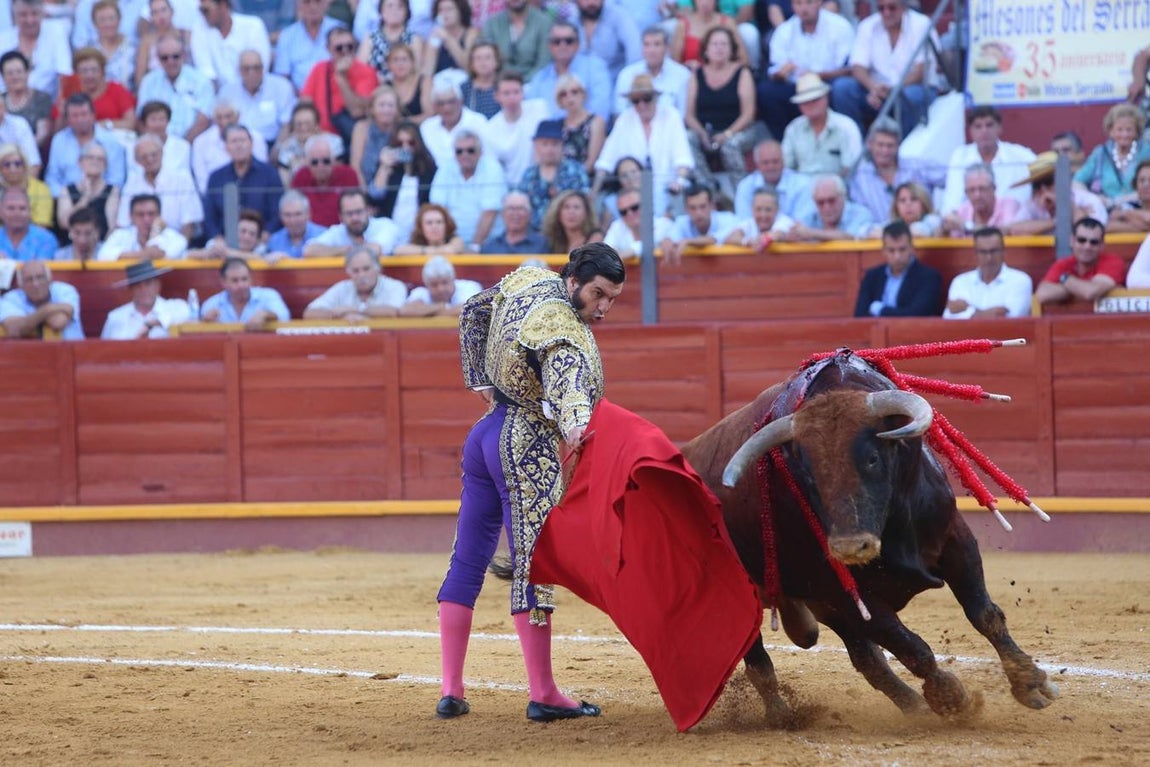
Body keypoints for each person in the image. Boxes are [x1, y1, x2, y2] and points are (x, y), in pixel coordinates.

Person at [437, 243, 625, 722]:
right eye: (598, 294)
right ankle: (543, 692)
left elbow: (474, 309)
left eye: (612, 298)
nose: (603, 307)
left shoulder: (529, 278)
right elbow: (565, 381)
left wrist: (480, 377)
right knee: (534, 565)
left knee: (468, 557)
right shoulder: (563, 327)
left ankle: (451, 691)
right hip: (525, 443)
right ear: (573, 283)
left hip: (484, 434)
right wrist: (577, 426)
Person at [831, 0, 938, 138]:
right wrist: (873, 88)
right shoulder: (867, 25)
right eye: (881, 8)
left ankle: (901, 149)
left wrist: (892, 89)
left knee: (910, 96)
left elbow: (920, 72)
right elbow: (858, 67)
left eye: (892, 8)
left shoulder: (921, 24)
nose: (886, 13)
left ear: (904, 7)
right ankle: (858, 144)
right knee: (842, 88)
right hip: (877, 91)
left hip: (911, 88)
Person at [594, 74, 694, 219]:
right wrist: (593, 193)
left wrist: (679, 182)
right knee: (610, 206)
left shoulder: (671, 115)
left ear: (655, 98)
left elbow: (683, 158)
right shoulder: (624, 119)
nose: (641, 105)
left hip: (666, 190)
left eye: (646, 99)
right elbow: (606, 161)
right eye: (635, 101)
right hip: (631, 191)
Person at [757, 0, 854, 142]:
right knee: (766, 92)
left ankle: (843, 138)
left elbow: (849, 69)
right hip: (796, 87)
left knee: (842, 87)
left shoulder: (840, 26)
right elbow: (774, 70)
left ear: (819, 2)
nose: (804, 8)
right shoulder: (785, 30)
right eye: (798, 3)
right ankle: (783, 142)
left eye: (809, 3)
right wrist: (781, 74)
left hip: (827, 84)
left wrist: (817, 75)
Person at [684, 27, 762, 194]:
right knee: (687, 139)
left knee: (730, 146)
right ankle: (708, 191)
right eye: (715, 44)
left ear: (731, 48)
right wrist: (702, 133)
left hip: (738, 130)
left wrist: (726, 134)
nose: (719, 48)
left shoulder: (742, 73)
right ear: (706, 50)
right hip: (707, 130)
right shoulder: (696, 75)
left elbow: (748, 114)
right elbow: (689, 115)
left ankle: (742, 194)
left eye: (724, 44)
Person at [849, 117, 944, 225]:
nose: (885, 151)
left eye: (890, 146)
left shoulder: (918, 166)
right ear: (870, 144)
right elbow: (861, 216)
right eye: (880, 145)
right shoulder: (859, 177)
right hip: (879, 238)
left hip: (923, 236)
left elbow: (955, 178)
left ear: (898, 145)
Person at [941, 105, 1035, 214]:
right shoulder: (961, 156)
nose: (984, 131)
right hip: (971, 225)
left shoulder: (1022, 155)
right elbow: (953, 201)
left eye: (989, 125)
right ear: (970, 131)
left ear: (999, 128)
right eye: (978, 126)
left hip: (1015, 225)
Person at [202, 124, 284, 243]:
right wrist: (217, 238)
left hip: (261, 243)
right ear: (226, 147)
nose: (239, 145)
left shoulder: (270, 174)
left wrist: (265, 236)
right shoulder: (216, 177)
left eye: (243, 140)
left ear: (251, 144)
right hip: (223, 244)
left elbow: (277, 212)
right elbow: (209, 217)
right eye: (234, 141)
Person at [428, 129, 506, 248]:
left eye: (470, 150)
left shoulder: (493, 168)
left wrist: (475, 246)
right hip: (452, 241)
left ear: (480, 152)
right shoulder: (445, 169)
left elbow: (490, 213)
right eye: (459, 151)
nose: (465, 155)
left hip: (489, 242)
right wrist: (452, 242)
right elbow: (439, 209)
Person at [117, 134, 202, 241]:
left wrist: (177, 248)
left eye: (154, 154)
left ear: (162, 153)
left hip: (176, 244)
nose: (150, 159)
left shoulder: (182, 179)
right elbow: (123, 223)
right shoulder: (132, 183)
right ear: (137, 161)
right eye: (144, 156)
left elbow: (189, 223)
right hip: (139, 247)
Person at [302, 26, 379, 145]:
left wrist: (341, 78)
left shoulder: (366, 71)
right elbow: (305, 103)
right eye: (339, 48)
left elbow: (357, 111)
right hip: (321, 136)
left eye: (350, 47)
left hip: (353, 138)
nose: (345, 51)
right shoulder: (319, 69)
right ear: (328, 48)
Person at [44, 93, 128, 198]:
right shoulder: (59, 140)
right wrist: (65, 197)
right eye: (75, 115)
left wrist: (96, 196)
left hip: (103, 200)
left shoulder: (110, 141)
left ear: (93, 115)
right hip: (66, 199)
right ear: (68, 119)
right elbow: (52, 178)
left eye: (84, 114)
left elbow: (116, 179)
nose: (80, 120)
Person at [853, 220, 943, 317]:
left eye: (902, 249)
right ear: (884, 251)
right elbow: (859, 316)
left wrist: (881, 310)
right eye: (891, 250)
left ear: (912, 248)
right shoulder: (872, 277)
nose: (897, 256)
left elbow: (916, 315)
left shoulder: (929, 277)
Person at [136, 32, 214, 143]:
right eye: (165, 58)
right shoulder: (149, 82)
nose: (170, 61)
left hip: (191, 143)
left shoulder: (201, 81)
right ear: (158, 58)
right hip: (156, 145)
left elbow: (203, 120)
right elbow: (141, 119)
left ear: (184, 55)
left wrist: (182, 146)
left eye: (175, 56)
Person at [1006, 152, 1108, 236]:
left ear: (1063, 179)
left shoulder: (1088, 200)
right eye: (1037, 185)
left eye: (1048, 181)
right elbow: (1013, 229)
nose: (1043, 189)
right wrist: (1058, 221)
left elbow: (1088, 234)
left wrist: (1066, 204)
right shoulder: (1033, 205)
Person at [527, 20, 612, 122]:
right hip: (548, 135)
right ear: (550, 46)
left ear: (577, 45)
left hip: (585, 133)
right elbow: (530, 114)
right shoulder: (540, 78)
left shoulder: (595, 67)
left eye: (569, 41)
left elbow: (600, 111)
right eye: (557, 41)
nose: (563, 45)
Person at [1033, 217, 1128, 307]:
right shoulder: (1064, 263)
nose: (1087, 247)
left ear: (1102, 245)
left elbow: (1090, 292)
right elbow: (1042, 294)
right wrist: (1078, 289)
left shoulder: (1113, 261)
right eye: (1081, 240)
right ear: (1072, 241)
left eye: (1094, 242)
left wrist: (1065, 279)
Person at [781, 72, 862, 176]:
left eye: (815, 100)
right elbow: (786, 167)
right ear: (799, 106)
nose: (810, 105)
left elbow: (853, 167)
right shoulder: (793, 128)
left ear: (826, 98)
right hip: (801, 189)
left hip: (837, 188)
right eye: (805, 101)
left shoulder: (846, 126)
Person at [942, 226, 1033, 319]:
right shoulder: (960, 282)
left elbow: (1010, 320)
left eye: (993, 251)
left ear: (1003, 251)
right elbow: (949, 317)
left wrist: (968, 310)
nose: (989, 258)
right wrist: (986, 314)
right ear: (975, 254)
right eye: (983, 252)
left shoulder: (1020, 281)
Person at [369, 120, 437, 242]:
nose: (405, 147)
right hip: (389, 232)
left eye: (410, 143)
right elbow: (375, 195)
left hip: (419, 233)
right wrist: (384, 166)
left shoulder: (429, 170)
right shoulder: (388, 169)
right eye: (400, 143)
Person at [518, 119, 591, 231]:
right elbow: (521, 205)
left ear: (562, 146)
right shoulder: (529, 174)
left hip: (569, 233)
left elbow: (586, 202)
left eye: (554, 144)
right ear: (536, 146)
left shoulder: (576, 171)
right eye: (545, 144)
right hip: (534, 235)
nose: (549, 149)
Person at [1074, 103, 1150, 209]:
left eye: (1129, 130)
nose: (1124, 135)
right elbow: (1077, 182)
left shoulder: (1146, 152)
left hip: (1139, 210)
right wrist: (1093, 199)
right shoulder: (1100, 153)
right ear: (1111, 132)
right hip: (1107, 211)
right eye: (1119, 130)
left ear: (1136, 132)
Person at [302, 245, 408, 319]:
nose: (361, 275)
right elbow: (309, 313)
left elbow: (394, 311)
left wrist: (357, 310)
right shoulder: (342, 288)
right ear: (348, 272)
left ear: (378, 269)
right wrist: (339, 315)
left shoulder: (394, 286)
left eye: (366, 269)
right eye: (355, 271)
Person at [217, 50, 295, 148]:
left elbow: (286, 124)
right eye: (246, 69)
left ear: (263, 68)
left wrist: (278, 148)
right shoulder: (227, 91)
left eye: (256, 68)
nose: (252, 73)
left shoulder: (282, 86)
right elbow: (222, 124)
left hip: (271, 144)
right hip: (237, 144)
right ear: (239, 70)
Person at [485, 71, 549, 187]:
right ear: (497, 96)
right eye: (506, 93)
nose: (512, 97)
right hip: (511, 187)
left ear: (523, 93)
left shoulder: (540, 109)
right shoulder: (490, 129)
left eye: (516, 92)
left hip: (542, 182)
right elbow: (494, 169)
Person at [190, 0, 271, 90]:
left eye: (205, 10)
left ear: (223, 5)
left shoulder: (253, 26)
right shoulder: (199, 29)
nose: (202, 15)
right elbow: (206, 73)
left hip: (253, 91)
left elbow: (259, 67)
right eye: (200, 10)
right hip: (218, 97)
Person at [0, 0, 73, 100]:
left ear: (42, 14)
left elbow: (64, 74)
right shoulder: (3, 40)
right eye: (23, 15)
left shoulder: (56, 31)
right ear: (14, 17)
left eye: (34, 14)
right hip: (7, 103)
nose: (29, 20)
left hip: (46, 104)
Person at [100, 260, 192, 339]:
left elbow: (186, 312)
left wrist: (150, 325)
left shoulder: (175, 307)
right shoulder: (115, 317)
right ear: (131, 290)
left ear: (157, 286)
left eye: (148, 284)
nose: (143, 290)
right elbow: (104, 351)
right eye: (138, 286)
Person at [612, 26, 690, 119]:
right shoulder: (627, 74)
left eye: (657, 44)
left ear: (667, 48)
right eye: (647, 45)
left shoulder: (682, 74)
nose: (651, 50)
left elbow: (683, 115)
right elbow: (619, 113)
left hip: (671, 130)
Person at [52, 47, 135, 134]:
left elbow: (131, 123)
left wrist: (103, 125)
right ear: (76, 73)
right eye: (84, 71)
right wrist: (62, 115)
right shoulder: (70, 93)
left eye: (94, 70)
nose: (89, 75)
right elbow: (58, 131)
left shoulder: (116, 89)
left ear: (102, 72)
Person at [0, 260, 84, 339]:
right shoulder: (10, 298)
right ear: (21, 285)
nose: (36, 284)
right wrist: (48, 310)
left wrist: (29, 320)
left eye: (40, 277)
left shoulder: (65, 290)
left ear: (49, 280)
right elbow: (15, 329)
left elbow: (58, 322)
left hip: (75, 351)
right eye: (29, 279)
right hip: (29, 352)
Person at [304, 188, 401, 257]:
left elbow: (374, 250)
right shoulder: (338, 231)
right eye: (349, 213)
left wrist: (340, 251)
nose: (355, 218)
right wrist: (342, 250)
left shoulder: (385, 225)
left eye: (358, 211)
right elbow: (309, 250)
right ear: (340, 216)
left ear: (368, 211)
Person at [419, 79, 491, 171]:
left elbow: (487, 157)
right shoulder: (427, 127)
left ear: (461, 101)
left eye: (451, 101)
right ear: (434, 106)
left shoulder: (478, 122)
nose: (447, 108)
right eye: (441, 103)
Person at [201, 256, 291, 329]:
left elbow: (285, 318)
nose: (241, 285)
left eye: (244, 279)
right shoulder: (211, 304)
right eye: (235, 280)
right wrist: (206, 324)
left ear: (251, 278)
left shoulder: (268, 295)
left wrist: (267, 315)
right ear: (223, 282)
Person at [734, 138, 813, 221]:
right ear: (757, 165)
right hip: (756, 234)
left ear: (784, 162)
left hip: (794, 233)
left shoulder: (803, 184)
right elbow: (744, 222)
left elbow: (803, 223)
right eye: (766, 163)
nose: (771, 167)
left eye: (775, 161)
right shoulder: (745, 186)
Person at [290, 134, 361, 226]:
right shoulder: (301, 176)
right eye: (314, 162)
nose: (320, 166)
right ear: (307, 163)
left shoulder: (348, 175)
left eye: (326, 161)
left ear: (334, 160)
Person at [273, 0, 343, 91]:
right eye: (307, 2)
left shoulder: (340, 30)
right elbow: (282, 77)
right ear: (298, 4)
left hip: (335, 95)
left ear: (326, 3)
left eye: (318, 2)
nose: (313, 7)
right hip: (298, 99)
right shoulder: (287, 36)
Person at [659, 184, 739, 264]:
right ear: (686, 209)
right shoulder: (681, 222)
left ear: (712, 206)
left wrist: (688, 242)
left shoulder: (728, 219)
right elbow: (669, 239)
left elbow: (712, 240)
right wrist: (666, 241)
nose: (698, 213)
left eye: (703, 207)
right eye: (693, 208)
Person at [271, 102, 346, 186]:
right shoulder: (286, 147)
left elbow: (338, 174)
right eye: (299, 124)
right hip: (299, 193)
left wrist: (303, 164)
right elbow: (285, 183)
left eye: (308, 124)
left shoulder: (334, 143)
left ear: (317, 125)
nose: (303, 128)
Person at [96, 193, 188, 261]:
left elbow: (157, 255)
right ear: (131, 217)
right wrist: (143, 254)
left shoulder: (175, 238)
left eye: (151, 214)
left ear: (159, 215)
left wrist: (155, 233)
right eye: (140, 214)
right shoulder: (119, 235)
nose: (146, 219)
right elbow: (103, 255)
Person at [784, 174, 874, 242]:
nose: (826, 207)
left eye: (831, 201)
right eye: (820, 202)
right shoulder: (810, 217)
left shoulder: (861, 214)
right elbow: (795, 232)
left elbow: (851, 237)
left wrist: (812, 234)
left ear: (843, 197)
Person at [53, 141, 117, 238]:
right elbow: (64, 223)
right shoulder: (67, 190)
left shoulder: (112, 190)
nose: (95, 162)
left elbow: (111, 227)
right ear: (80, 162)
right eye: (90, 157)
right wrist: (85, 198)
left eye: (100, 159)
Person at [941, 163, 1020, 237]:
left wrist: (966, 226)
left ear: (994, 189)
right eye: (972, 190)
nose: (977, 195)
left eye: (982, 189)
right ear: (966, 193)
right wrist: (944, 228)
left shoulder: (1008, 205)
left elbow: (1003, 232)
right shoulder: (962, 210)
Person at [573, 0, 641, 85]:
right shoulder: (571, 21)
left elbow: (635, 49)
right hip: (578, 88)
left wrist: (629, 81)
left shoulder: (618, 15)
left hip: (614, 84)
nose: (591, 2)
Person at [481, 0, 552, 80]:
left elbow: (543, 63)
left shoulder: (543, 22)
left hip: (533, 83)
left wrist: (521, 82)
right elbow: (486, 59)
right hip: (498, 83)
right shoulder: (492, 24)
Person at [134, 0, 194, 93]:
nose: (160, 16)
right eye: (155, 12)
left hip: (186, 88)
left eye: (163, 10)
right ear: (151, 17)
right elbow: (140, 76)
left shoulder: (186, 35)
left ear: (172, 11)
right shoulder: (146, 42)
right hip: (156, 90)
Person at [358, 0, 425, 83]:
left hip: (405, 87)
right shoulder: (370, 38)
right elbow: (360, 69)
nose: (394, 10)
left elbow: (417, 70)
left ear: (406, 12)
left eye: (400, 6)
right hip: (374, 87)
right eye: (390, 6)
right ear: (381, 11)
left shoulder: (414, 39)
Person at [671, 0, 748, 71]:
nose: (705, 2)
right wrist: (687, 67)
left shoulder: (728, 22)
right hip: (690, 75)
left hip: (723, 75)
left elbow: (743, 60)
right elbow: (675, 63)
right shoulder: (683, 24)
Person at [1, 51, 52, 156]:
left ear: (27, 72)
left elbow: (43, 134)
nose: (15, 77)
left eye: (19, 72)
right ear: (3, 76)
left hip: (33, 156)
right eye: (10, 73)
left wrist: (21, 155)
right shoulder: (0, 100)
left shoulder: (41, 98)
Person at [350, 85, 402, 188]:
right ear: (372, 108)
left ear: (397, 110)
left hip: (393, 188)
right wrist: (364, 193)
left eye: (390, 105)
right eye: (381, 105)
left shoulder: (402, 129)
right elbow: (355, 165)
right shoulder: (361, 128)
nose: (386, 110)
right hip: (364, 184)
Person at [555, 74, 606, 175]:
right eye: (563, 94)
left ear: (583, 94)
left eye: (574, 92)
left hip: (586, 179)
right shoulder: (557, 125)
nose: (569, 97)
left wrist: (574, 180)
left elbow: (592, 161)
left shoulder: (595, 122)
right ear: (559, 100)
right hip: (560, 178)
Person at [400, 254, 482, 316]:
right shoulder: (421, 292)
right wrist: (440, 307)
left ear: (453, 279)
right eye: (434, 285)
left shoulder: (470, 287)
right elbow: (405, 311)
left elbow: (470, 310)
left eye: (445, 282)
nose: (441, 289)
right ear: (427, 285)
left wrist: (427, 312)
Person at [604, 187, 672, 257]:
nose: (629, 214)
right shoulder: (617, 227)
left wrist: (629, 252)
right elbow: (605, 254)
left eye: (634, 208)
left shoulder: (664, 225)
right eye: (623, 212)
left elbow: (651, 242)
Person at [0, 143, 52, 229]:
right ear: (0, 169)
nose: (12, 169)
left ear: (25, 166)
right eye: (7, 164)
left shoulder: (41, 188)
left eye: (17, 164)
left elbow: (42, 224)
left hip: (34, 239)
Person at [265, 190, 328, 261]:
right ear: (280, 216)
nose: (293, 220)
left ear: (308, 214)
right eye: (287, 215)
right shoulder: (274, 241)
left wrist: (287, 260)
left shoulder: (324, 236)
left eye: (298, 214)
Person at [724, 187, 795, 251]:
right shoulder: (749, 223)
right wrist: (747, 241)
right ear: (752, 209)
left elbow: (778, 234)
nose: (763, 215)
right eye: (758, 209)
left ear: (777, 209)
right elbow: (730, 238)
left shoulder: (784, 221)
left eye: (768, 210)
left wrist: (764, 240)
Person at [480, 190, 548, 254]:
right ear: (502, 214)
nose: (515, 214)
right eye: (510, 208)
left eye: (520, 208)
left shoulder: (543, 245)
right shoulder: (489, 247)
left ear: (530, 214)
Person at [867, 180, 941, 238]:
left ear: (924, 203)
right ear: (896, 207)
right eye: (902, 200)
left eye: (914, 199)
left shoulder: (933, 219)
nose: (908, 204)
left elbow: (920, 232)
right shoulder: (893, 223)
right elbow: (872, 233)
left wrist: (889, 234)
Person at [136, 99, 192, 176]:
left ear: (168, 121)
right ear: (145, 123)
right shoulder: (136, 146)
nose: (158, 124)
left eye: (161, 119)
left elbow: (185, 176)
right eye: (153, 119)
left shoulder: (183, 146)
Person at [422, 0, 477, 78]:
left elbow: (468, 66)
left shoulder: (471, 34)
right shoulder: (435, 35)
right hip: (440, 83)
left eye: (449, 9)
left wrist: (447, 38)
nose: (444, 14)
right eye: (440, 10)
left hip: (465, 82)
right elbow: (427, 72)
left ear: (460, 11)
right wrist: (432, 45)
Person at [0, 186, 56, 261]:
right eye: (11, 208)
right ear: (1, 212)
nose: (17, 213)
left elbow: (39, 269)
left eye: (22, 208)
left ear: (30, 212)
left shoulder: (46, 239)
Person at [542, 190, 602, 254]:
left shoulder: (596, 237)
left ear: (587, 213)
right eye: (566, 207)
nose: (571, 212)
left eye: (576, 207)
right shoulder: (551, 241)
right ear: (558, 213)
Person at [386, 43, 433, 124]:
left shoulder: (424, 81)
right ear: (389, 65)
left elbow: (430, 114)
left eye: (404, 59)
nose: (400, 64)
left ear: (412, 63)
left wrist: (405, 122)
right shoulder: (385, 85)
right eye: (395, 60)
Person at [395, 202, 466, 254]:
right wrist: (432, 251)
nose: (434, 226)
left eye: (439, 222)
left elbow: (451, 250)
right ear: (421, 227)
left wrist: (424, 251)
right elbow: (398, 251)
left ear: (446, 225)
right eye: (429, 223)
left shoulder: (456, 240)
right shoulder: (415, 242)